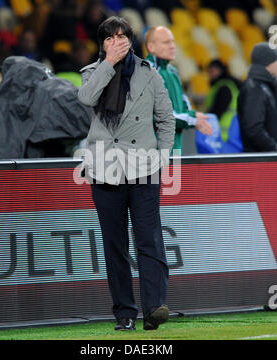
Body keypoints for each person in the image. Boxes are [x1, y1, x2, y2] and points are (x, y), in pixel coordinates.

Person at [77, 16, 175, 331]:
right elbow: (87, 99)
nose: (117, 42)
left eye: (122, 36)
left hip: (144, 168)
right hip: (105, 168)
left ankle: (154, 307)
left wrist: (161, 157)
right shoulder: (93, 73)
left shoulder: (150, 75)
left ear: (131, 41)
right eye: (110, 37)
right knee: (114, 245)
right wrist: (108, 63)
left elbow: (166, 119)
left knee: (149, 240)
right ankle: (124, 312)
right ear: (102, 43)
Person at [144, 26, 213, 153]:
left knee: (176, 173)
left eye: (173, 42)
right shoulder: (146, 72)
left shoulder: (173, 72)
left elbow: (183, 103)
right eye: (166, 42)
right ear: (151, 47)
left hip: (176, 148)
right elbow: (159, 115)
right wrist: (192, 118)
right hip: (153, 152)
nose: (172, 46)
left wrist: (193, 116)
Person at [237, 42, 277, 152]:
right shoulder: (255, 88)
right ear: (268, 62)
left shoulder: (264, 86)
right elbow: (254, 128)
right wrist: (274, 148)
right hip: (261, 162)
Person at [205, 59, 241, 142]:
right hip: (234, 132)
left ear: (219, 70)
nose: (210, 75)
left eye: (211, 71)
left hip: (222, 134)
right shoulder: (232, 85)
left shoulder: (223, 87)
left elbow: (217, 111)